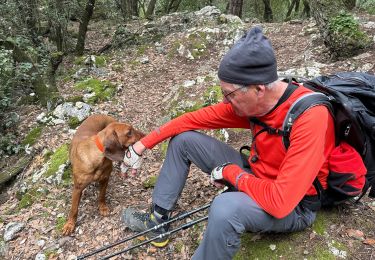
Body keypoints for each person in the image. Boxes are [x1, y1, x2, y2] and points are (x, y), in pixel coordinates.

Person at [120, 26, 335, 259]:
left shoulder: (310, 117)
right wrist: (140, 146)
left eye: (229, 94)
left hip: (295, 205)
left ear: (258, 89)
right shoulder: (252, 102)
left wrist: (231, 173)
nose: (225, 101)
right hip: (257, 174)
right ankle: (157, 221)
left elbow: (280, 202)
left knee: (224, 208)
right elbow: (190, 120)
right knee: (184, 140)